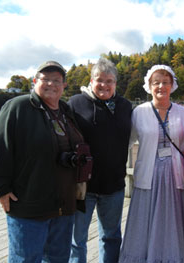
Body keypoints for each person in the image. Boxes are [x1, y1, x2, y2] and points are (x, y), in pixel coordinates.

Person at [0, 61, 85, 263]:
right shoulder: (18, 107)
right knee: (26, 258)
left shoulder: (66, 112)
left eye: (57, 80)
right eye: (45, 79)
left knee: (58, 258)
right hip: (29, 204)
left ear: (64, 85)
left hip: (64, 205)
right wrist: (0, 188)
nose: (51, 84)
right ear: (34, 81)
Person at [118, 65, 184, 263]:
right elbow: (125, 141)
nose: (161, 86)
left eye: (165, 82)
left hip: (175, 175)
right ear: (149, 85)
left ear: (172, 85)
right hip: (148, 175)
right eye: (156, 82)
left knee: (174, 221)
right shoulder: (139, 112)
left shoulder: (182, 112)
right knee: (144, 220)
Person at [68, 58, 132, 263]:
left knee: (111, 236)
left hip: (113, 186)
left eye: (110, 80)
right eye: (100, 80)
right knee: (77, 239)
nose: (104, 85)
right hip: (82, 186)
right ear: (91, 80)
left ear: (116, 84)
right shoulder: (75, 103)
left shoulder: (125, 106)